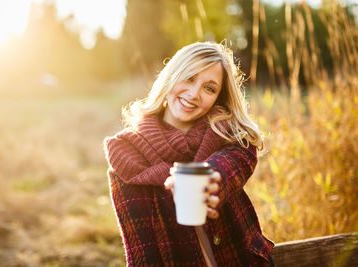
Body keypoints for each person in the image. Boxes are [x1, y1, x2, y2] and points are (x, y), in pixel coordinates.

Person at [104, 41, 274, 266]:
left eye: (209, 88)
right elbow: (142, 252)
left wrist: (209, 181)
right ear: (171, 77)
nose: (194, 94)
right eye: (189, 78)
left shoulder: (231, 137)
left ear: (218, 98)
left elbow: (229, 166)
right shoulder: (128, 155)